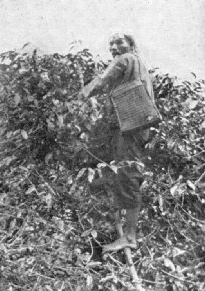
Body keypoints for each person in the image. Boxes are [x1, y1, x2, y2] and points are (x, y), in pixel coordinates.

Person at [78, 33, 154, 253]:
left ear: (130, 45)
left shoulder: (126, 59)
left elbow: (100, 82)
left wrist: (78, 96)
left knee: (127, 174)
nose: (114, 47)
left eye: (119, 42)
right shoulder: (137, 66)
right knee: (122, 172)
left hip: (131, 128)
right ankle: (122, 221)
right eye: (110, 43)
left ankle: (129, 236)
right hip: (134, 127)